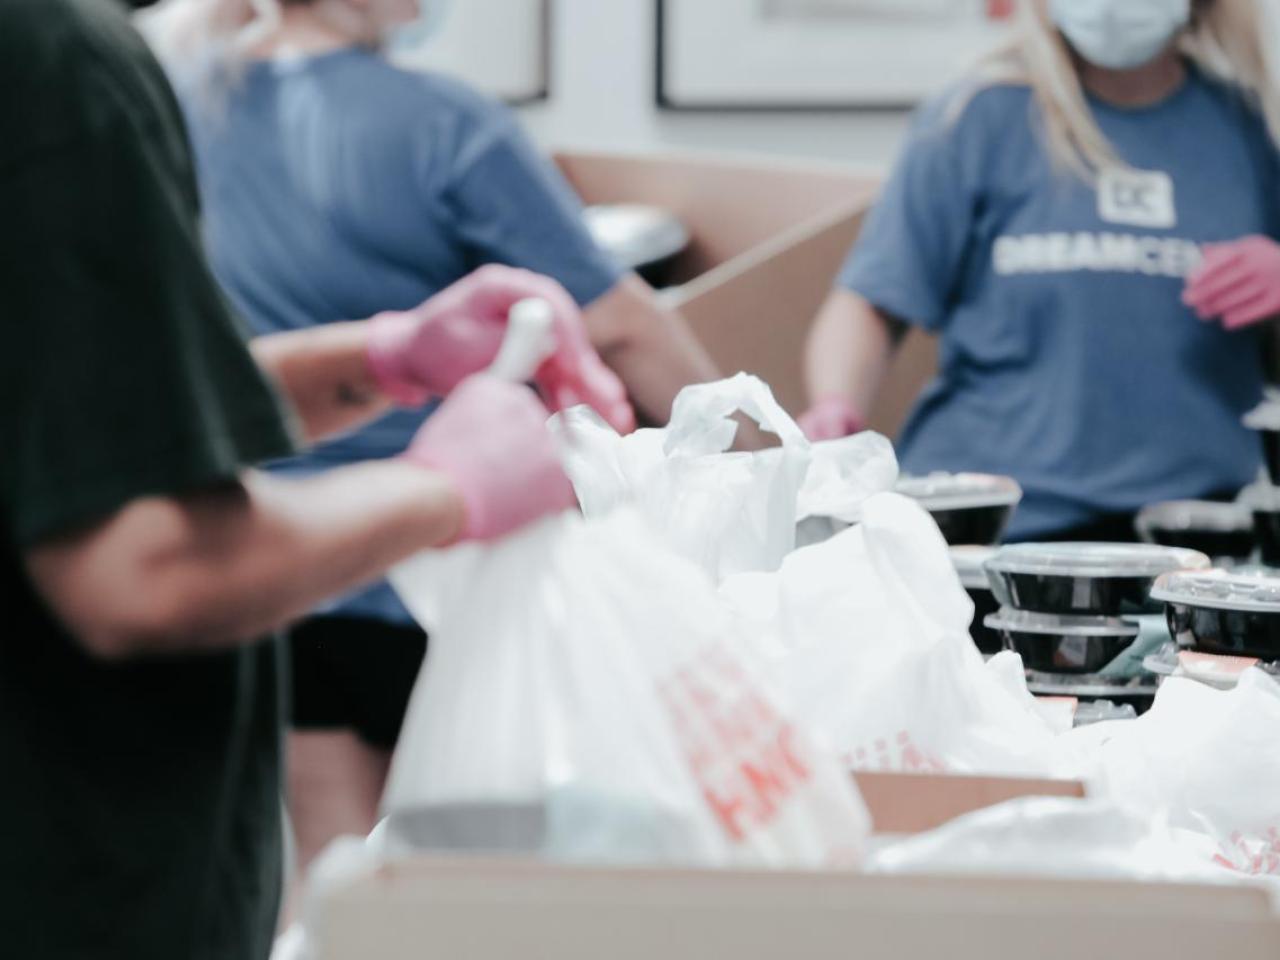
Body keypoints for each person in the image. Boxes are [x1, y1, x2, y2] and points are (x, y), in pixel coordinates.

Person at [0, 1, 630, 957]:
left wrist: (382, 360)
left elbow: (83, 412)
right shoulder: (49, 62)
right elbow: (144, 567)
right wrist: (450, 485)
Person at [134, 0, 725, 879]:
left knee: (332, 867)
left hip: (275, 554)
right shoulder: (443, 123)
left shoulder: (184, 107)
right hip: (430, 564)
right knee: (453, 880)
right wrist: (762, 467)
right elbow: (622, 325)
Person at [801, 0, 1280, 542]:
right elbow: (867, 304)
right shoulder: (976, 118)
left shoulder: (1248, 129)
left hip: (1194, 537)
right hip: (994, 529)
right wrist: (836, 405)